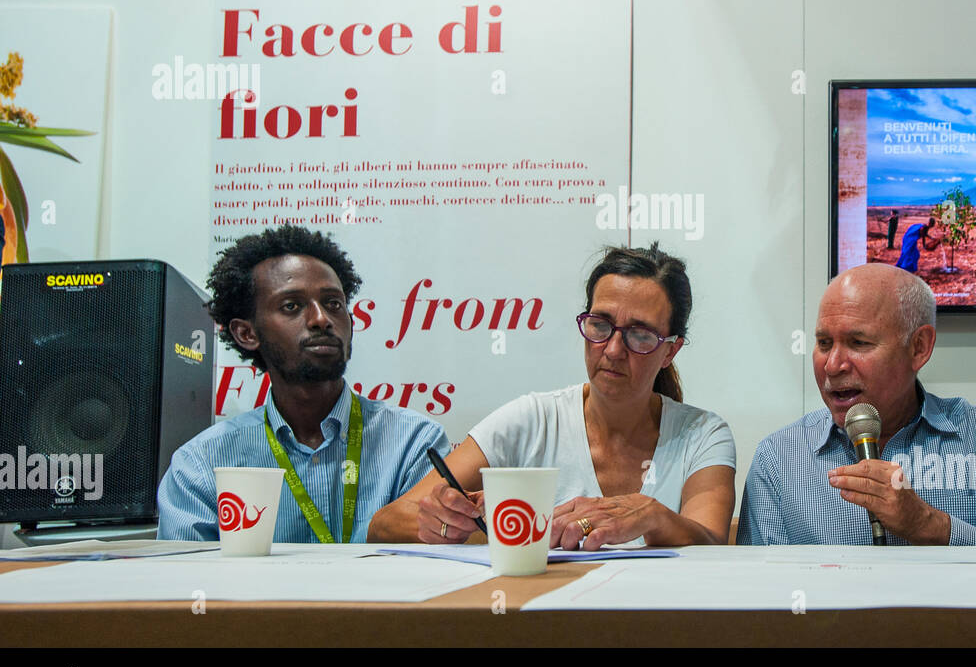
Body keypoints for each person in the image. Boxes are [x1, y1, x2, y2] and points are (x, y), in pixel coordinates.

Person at [368, 243, 736, 549]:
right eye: (600, 325)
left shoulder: (702, 435)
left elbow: (712, 544)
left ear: (670, 350)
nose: (611, 350)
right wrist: (444, 523)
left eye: (639, 334)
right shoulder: (531, 420)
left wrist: (653, 515)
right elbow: (383, 526)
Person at [737, 264, 976, 546]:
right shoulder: (778, 458)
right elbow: (761, 601)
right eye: (824, 343)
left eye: (858, 342)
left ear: (919, 348)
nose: (833, 364)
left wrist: (931, 526)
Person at [157, 225, 451, 542]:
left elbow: (436, 569)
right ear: (247, 333)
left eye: (333, 303)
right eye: (292, 306)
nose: (321, 318)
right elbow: (186, 586)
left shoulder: (415, 444)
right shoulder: (202, 464)